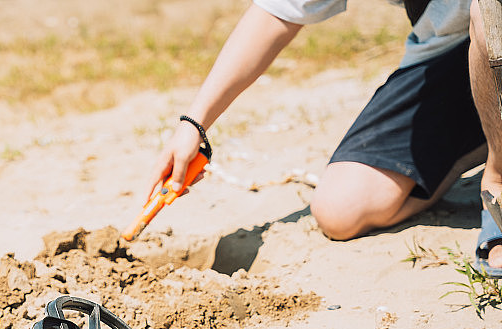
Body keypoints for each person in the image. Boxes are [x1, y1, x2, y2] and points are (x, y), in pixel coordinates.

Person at [148, 0, 502, 276]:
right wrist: (194, 123)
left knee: (489, 15)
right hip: (451, 51)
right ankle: (490, 132)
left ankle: (498, 182)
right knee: (342, 209)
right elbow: (278, 12)